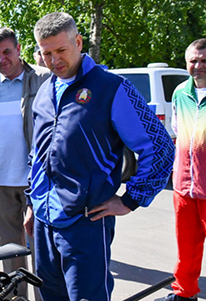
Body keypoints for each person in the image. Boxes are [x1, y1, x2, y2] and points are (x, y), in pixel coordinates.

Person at [26, 12, 175, 301]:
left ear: (78, 42)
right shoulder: (45, 90)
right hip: (43, 221)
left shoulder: (111, 87)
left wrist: (131, 199)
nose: (54, 60)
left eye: (60, 51)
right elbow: (38, 152)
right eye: (46, 53)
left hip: (86, 223)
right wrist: (32, 202)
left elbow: (159, 146)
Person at [0, 27, 50, 297]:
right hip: (0, 183)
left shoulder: (43, 80)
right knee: (10, 252)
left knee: (42, 252)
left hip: (38, 183)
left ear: (18, 49)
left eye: (6, 52)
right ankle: (17, 298)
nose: (1, 59)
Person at [155, 38, 206, 301]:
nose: (197, 66)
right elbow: (177, 132)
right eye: (193, 61)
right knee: (186, 248)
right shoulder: (179, 93)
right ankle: (185, 295)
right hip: (184, 185)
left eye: (203, 61)